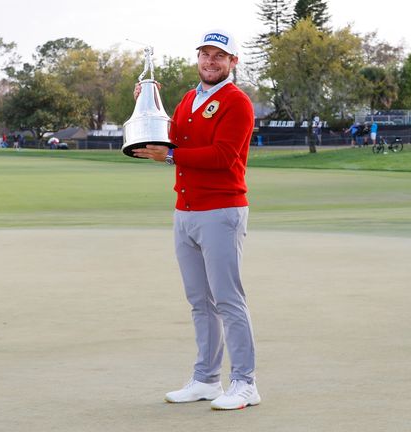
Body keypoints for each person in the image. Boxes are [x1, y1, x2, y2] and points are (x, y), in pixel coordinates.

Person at [132, 29, 260, 411]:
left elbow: (222, 155)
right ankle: (206, 379)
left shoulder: (237, 102)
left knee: (227, 299)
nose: (210, 61)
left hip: (221, 210)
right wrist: (147, 104)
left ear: (232, 62)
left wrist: (171, 157)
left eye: (218, 56)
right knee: (199, 301)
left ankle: (245, 382)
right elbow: (173, 137)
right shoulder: (190, 98)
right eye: (204, 54)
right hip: (185, 211)